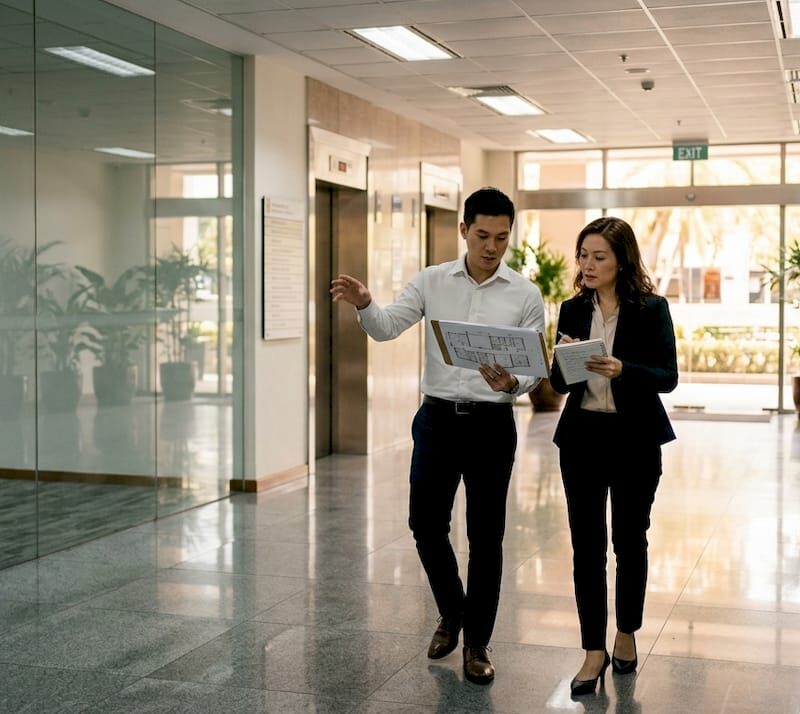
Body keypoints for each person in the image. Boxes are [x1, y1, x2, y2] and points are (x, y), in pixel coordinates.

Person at [330, 187, 545, 684]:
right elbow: (386, 328)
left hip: (492, 424)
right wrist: (365, 304)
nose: (492, 247)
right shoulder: (431, 281)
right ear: (464, 230)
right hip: (438, 420)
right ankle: (453, 610)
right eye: (484, 235)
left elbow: (535, 368)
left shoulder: (524, 293)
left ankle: (477, 645)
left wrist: (514, 382)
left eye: (502, 238)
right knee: (425, 524)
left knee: (485, 537)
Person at [549, 216, 678, 696]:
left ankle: (625, 634)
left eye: (598, 257)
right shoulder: (572, 309)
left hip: (634, 441)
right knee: (586, 547)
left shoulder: (651, 309)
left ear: (621, 260)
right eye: (583, 255)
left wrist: (623, 368)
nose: (587, 265)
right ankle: (592, 651)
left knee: (629, 541)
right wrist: (565, 362)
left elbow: (667, 376)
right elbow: (560, 384)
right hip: (582, 440)